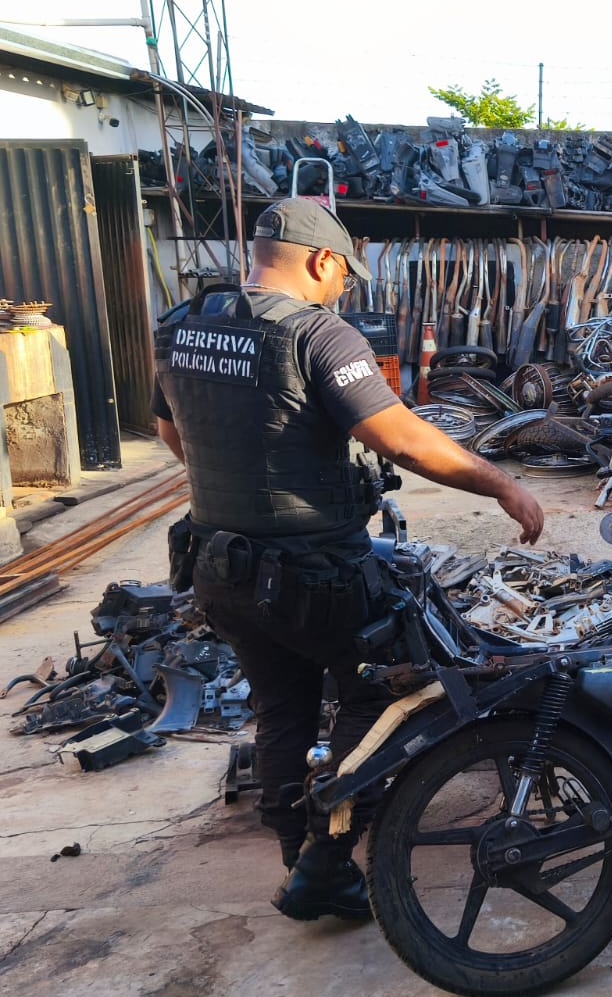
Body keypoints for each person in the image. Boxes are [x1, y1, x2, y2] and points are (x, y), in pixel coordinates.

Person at [151, 197, 543, 923]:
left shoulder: (184, 325)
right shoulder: (317, 334)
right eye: (343, 276)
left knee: (281, 708)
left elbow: (172, 434)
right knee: (393, 689)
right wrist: (502, 485)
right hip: (312, 571)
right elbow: (402, 440)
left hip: (219, 565)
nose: (342, 290)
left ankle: (299, 858)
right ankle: (327, 858)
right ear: (321, 261)